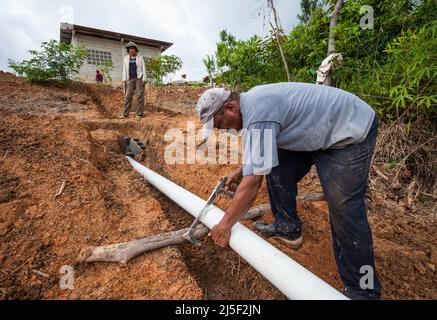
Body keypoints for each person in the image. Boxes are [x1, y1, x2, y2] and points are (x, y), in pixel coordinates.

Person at [196, 83, 382, 300]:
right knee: (275, 166)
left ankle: (364, 288)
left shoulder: (258, 114)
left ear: (230, 107)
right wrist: (241, 171)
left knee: (344, 208)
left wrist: (225, 225)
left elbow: (254, 181)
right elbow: (259, 160)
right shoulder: (252, 108)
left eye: (219, 124)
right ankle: (287, 227)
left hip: (348, 131)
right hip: (318, 129)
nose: (221, 130)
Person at [120, 42, 146, 120]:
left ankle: (139, 114)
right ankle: (125, 114)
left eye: (133, 49)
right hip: (130, 79)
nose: (131, 50)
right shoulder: (126, 58)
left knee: (140, 95)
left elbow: (143, 68)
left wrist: (144, 78)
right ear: (128, 50)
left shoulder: (140, 58)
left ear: (135, 50)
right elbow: (124, 69)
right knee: (128, 96)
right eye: (130, 49)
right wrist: (123, 79)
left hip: (139, 78)